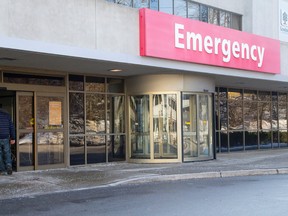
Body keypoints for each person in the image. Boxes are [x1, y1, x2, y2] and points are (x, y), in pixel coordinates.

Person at [0, 108, 15, 175]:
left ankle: (2, 169)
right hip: (6, 137)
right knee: (7, 153)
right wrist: (13, 138)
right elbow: (11, 127)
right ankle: (9, 166)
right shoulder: (7, 115)